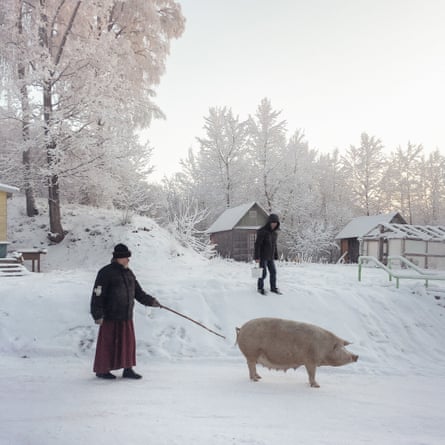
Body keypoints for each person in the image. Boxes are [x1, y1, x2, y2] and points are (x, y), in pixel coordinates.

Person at [90, 243, 161, 380]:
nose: (128, 260)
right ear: (118, 258)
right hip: (110, 316)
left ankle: (128, 369)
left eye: (128, 257)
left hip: (126, 315)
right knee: (108, 344)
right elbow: (97, 294)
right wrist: (97, 314)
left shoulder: (129, 273)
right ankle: (102, 370)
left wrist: (151, 301)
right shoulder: (105, 272)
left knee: (127, 344)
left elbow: (138, 293)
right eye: (126, 258)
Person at [254, 213, 282, 295]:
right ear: (269, 222)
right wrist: (257, 257)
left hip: (270, 257)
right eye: (272, 222)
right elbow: (257, 245)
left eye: (275, 222)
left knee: (273, 272)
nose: (274, 224)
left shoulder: (274, 234)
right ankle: (260, 288)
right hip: (262, 257)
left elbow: (274, 245)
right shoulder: (262, 232)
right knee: (263, 273)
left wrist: (275, 255)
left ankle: (273, 288)